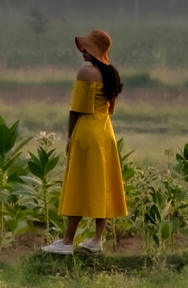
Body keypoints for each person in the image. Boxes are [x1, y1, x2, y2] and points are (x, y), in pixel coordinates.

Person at [42, 28, 127, 254]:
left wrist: (70, 136)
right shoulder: (111, 74)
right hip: (106, 133)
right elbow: (109, 110)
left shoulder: (86, 72)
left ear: (96, 51)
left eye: (87, 47)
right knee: (104, 185)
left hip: (87, 132)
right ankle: (96, 240)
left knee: (77, 184)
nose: (82, 51)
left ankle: (67, 242)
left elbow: (76, 109)